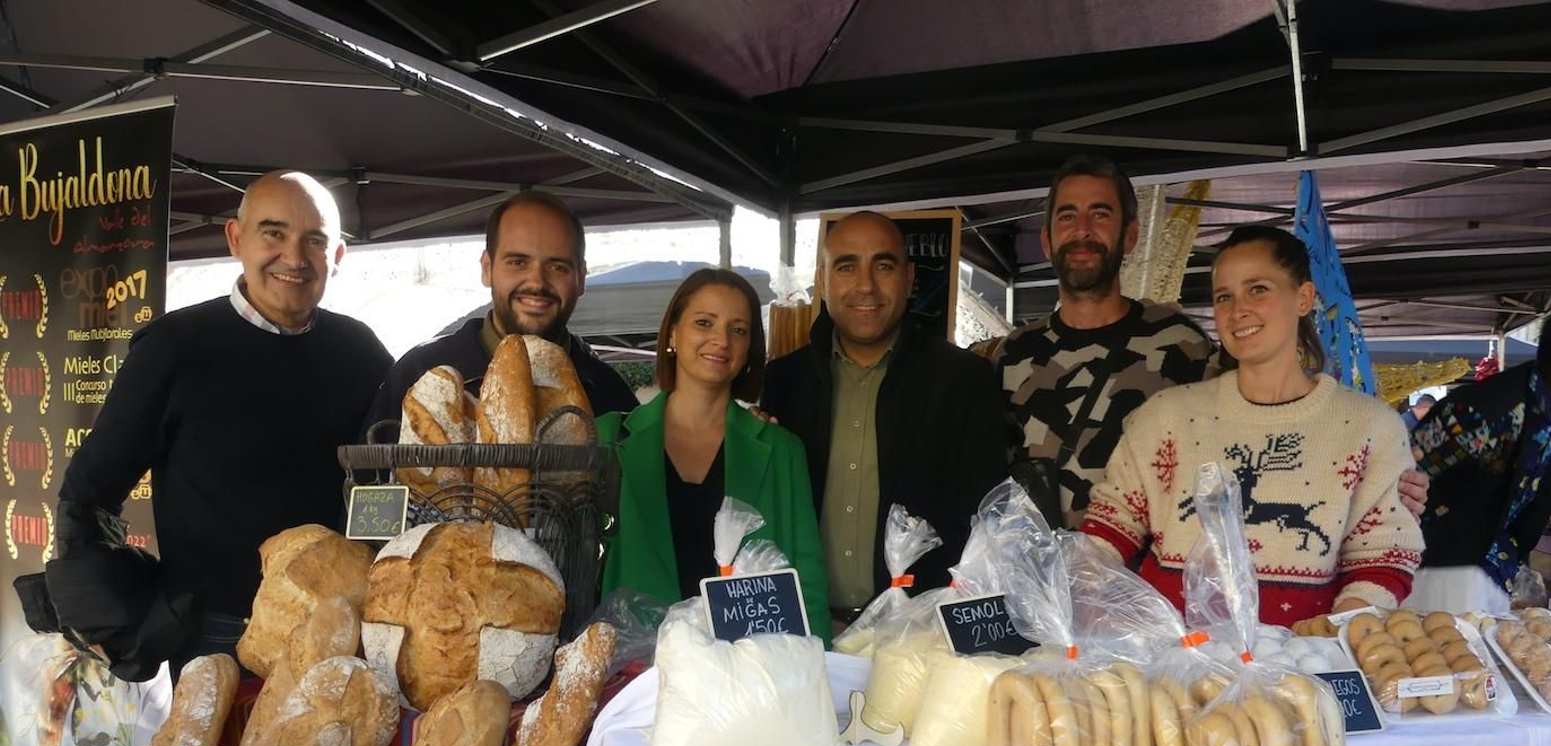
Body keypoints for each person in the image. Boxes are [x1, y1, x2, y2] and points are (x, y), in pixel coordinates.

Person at [56, 170, 392, 672]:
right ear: (236, 238)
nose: (295, 258)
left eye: (315, 241)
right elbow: (88, 493)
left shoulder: (362, 351)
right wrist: (115, 617)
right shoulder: (174, 348)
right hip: (215, 636)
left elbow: (386, 480)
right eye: (273, 233)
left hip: (340, 630)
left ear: (337, 257)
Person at [997, 153, 1430, 529]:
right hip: (1034, 592)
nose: (1084, 230)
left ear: (1129, 236)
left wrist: (1380, 482)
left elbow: (1274, 427)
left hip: (1145, 595)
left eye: (1101, 214)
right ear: (1047, 238)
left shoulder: (1179, 344)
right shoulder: (1009, 356)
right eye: (1067, 216)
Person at [1080, 225, 1424, 623]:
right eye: (1223, 297)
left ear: (1304, 297)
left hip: (1304, 666)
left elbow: (1382, 557)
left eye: (1257, 289)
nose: (1237, 309)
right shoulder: (1166, 416)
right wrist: (1077, 601)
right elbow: (1110, 527)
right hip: (1172, 666)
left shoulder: (1371, 427)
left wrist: (1333, 639)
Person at [761, 211, 1009, 622]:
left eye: (883, 265)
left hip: (920, 632)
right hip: (804, 628)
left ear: (911, 278)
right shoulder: (784, 382)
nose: (865, 284)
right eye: (846, 266)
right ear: (822, 281)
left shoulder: (964, 381)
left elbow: (989, 523)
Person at [598, 269, 830, 640]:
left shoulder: (783, 450)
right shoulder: (607, 438)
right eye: (704, 322)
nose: (720, 339)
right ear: (673, 333)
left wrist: (819, 677)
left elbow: (809, 588)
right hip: (636, 677)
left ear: (749, 349)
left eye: (738, 329)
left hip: (751, 677)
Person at [363, 192, 636, 437]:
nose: (536, 282)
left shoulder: (608, 391)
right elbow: (368, 489)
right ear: (487, 268)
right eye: (518, 262)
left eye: (557, 267)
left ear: (581, 279)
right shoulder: (419, 373)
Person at [1410, 296, 1551, 612]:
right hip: (1435, 581)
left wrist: (1550, 504)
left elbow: (1505, 478)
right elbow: (1400, 475)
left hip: (1490, 581)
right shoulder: (1480, 411)